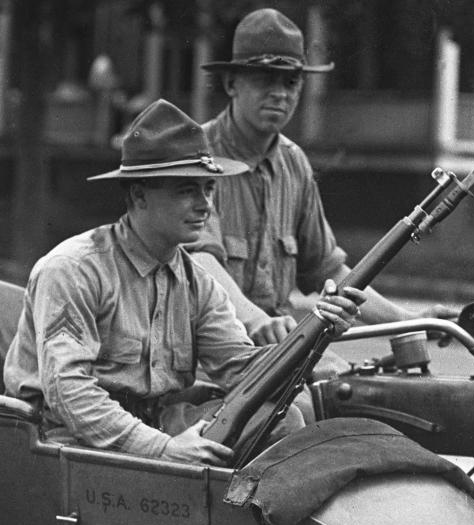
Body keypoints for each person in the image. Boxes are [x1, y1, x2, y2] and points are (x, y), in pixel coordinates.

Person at [3, 98, 364, 467]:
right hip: (67, 441)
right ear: (138, 195)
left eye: (208, 188)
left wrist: (317, 333)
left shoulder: (196, 284)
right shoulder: (74, 270)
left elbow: (244, 369)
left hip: (156, 422)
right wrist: (162, 449)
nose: (205, 204)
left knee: (282, 418)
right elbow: (68, 392)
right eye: (186, 190)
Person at [190, 7, 453, 346]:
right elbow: (199, 260)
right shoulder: (197, 156)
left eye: (291, 82)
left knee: (359, 394)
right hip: (208, 354)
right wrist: (255, 319)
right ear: (231, 84)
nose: (280, 94)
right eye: (264, 79)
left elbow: (328, 271)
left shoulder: (294, 164)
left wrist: (407, 321)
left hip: (276, 356)